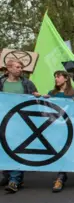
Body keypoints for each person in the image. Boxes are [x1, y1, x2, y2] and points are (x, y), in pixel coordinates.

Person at [0, 59, 40, 193]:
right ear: (9, 68)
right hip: (3, 121)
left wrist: (37, 96)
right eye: (17, 67)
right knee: (4, 149)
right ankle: (8, 175)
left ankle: (14, 180)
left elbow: (35, 100)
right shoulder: (1, 82)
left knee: (17, 150)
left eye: (21, 67)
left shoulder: (27, 83)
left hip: (21, 122)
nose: (20, 69)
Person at [45, 71, 74, 193]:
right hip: (56, 127)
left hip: (70, 127)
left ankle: (60, 177)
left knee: (65, 151)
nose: (56, 79)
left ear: (66, 79)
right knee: (58, 151)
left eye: (58, 77)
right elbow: (47, 109)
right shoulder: (52, 93)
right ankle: (61, 175)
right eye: (55, 77)